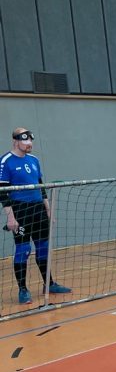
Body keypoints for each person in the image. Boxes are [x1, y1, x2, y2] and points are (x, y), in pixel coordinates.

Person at [0, 127, 71, 305]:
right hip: (20, 210)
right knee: (23, 250)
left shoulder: (34, 160)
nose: (29, 144)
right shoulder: (6, 162)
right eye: (25, 141)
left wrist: (48, 209)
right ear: (16, 141)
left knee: (43, 247)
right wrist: (10, 217)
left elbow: (40, 186)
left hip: (38, 208)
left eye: (31, 140)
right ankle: (23, 290)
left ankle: (49, 284)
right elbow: (2, 193)